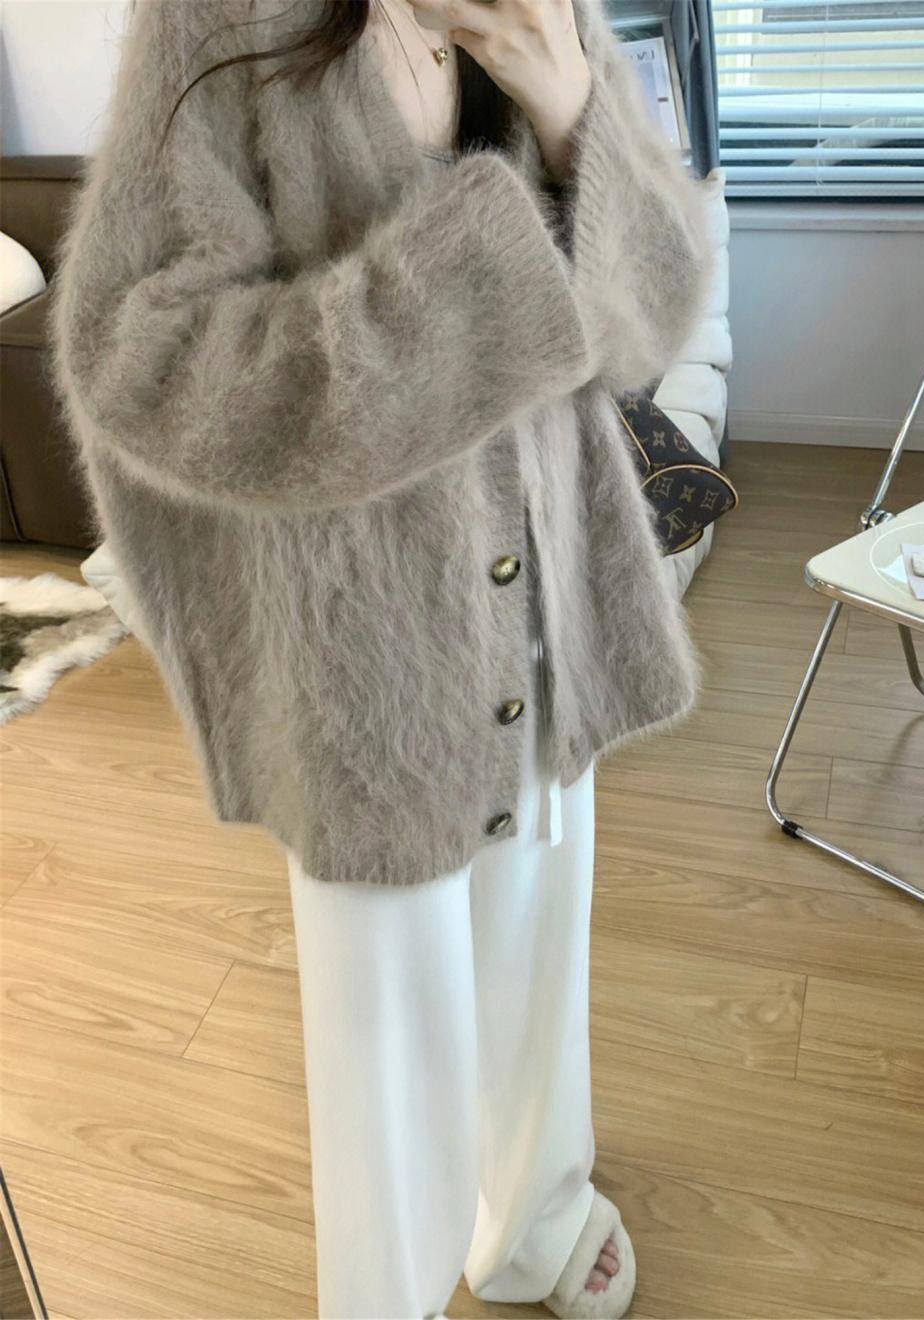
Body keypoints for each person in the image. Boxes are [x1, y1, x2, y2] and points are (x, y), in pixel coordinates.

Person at [48, 0, 715, 1315]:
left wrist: (573, 116)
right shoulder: (222, 18)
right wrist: (469, 287)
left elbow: (653, 316)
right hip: (365, 644)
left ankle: (534, 1216)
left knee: (539, 945)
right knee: (392, 1035)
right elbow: (137, 353)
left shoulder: (553, 13)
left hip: (548, 593)